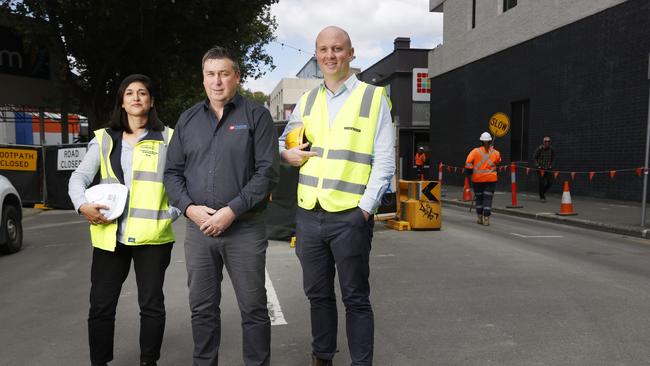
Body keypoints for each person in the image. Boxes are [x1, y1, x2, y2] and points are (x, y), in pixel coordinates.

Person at [279, 26, 395, 366]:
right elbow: (286, 144)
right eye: (324, 49)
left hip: (349, 215)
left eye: (338, 49)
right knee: (318, 295)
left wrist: (364, 209)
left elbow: (384, 161)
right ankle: (323, 357)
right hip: (309, 213)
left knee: (356, 298)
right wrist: (287, 155)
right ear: (316, 55)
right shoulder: (307, 100)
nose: (330, 55)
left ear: (351, 53)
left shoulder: (374, 98)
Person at [163, 46, 279, 366]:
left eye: (224, 74)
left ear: (236, 77)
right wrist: (189, 208)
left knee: (253, 308)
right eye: (210, 75)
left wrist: (231, 211)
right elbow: (172, 174)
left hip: (244, 228)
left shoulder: (257, 116)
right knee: (202, 308)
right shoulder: (187, 120)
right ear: (203, 80)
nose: (217, 81)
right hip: (199, 230)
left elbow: (267, 172)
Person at [68, 74, 180, 366]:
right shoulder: (104, 138)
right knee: (101, 307)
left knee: (151, 306)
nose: (135, 97)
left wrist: (171, 214)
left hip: (153, 238)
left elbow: (184, 182)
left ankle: (148, 362)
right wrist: (82, 206)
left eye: (142, 92)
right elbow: (78, 177)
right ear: (122, 101)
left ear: (151, 101)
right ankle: (100, 362)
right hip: (109, 236)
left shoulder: (168, 137)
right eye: (129, 92)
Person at [464, 132, 501, 226]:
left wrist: (470, 170)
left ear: (481, 141)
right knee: (488, 199)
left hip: (477, 180)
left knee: (479, 198)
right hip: (490, 180)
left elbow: (468, 162)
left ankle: (480, 217)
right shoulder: (495, 152)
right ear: (489, 141)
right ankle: (486, 218)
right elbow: (499, 161)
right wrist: (492, 151)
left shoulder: (475, 151)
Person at [534, 136, 555, 202]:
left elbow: (553, 158)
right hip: (541, 168)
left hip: (548, 168)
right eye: (545, 141)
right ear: (543, 142)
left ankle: (542, 192)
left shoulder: (552, 149)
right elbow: (535, 158)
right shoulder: (539, 149)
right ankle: (542, 197)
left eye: (548, 141)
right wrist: (538, 165)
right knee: (541, 182)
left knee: (550, 182)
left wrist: (551, 165)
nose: (547, 143)